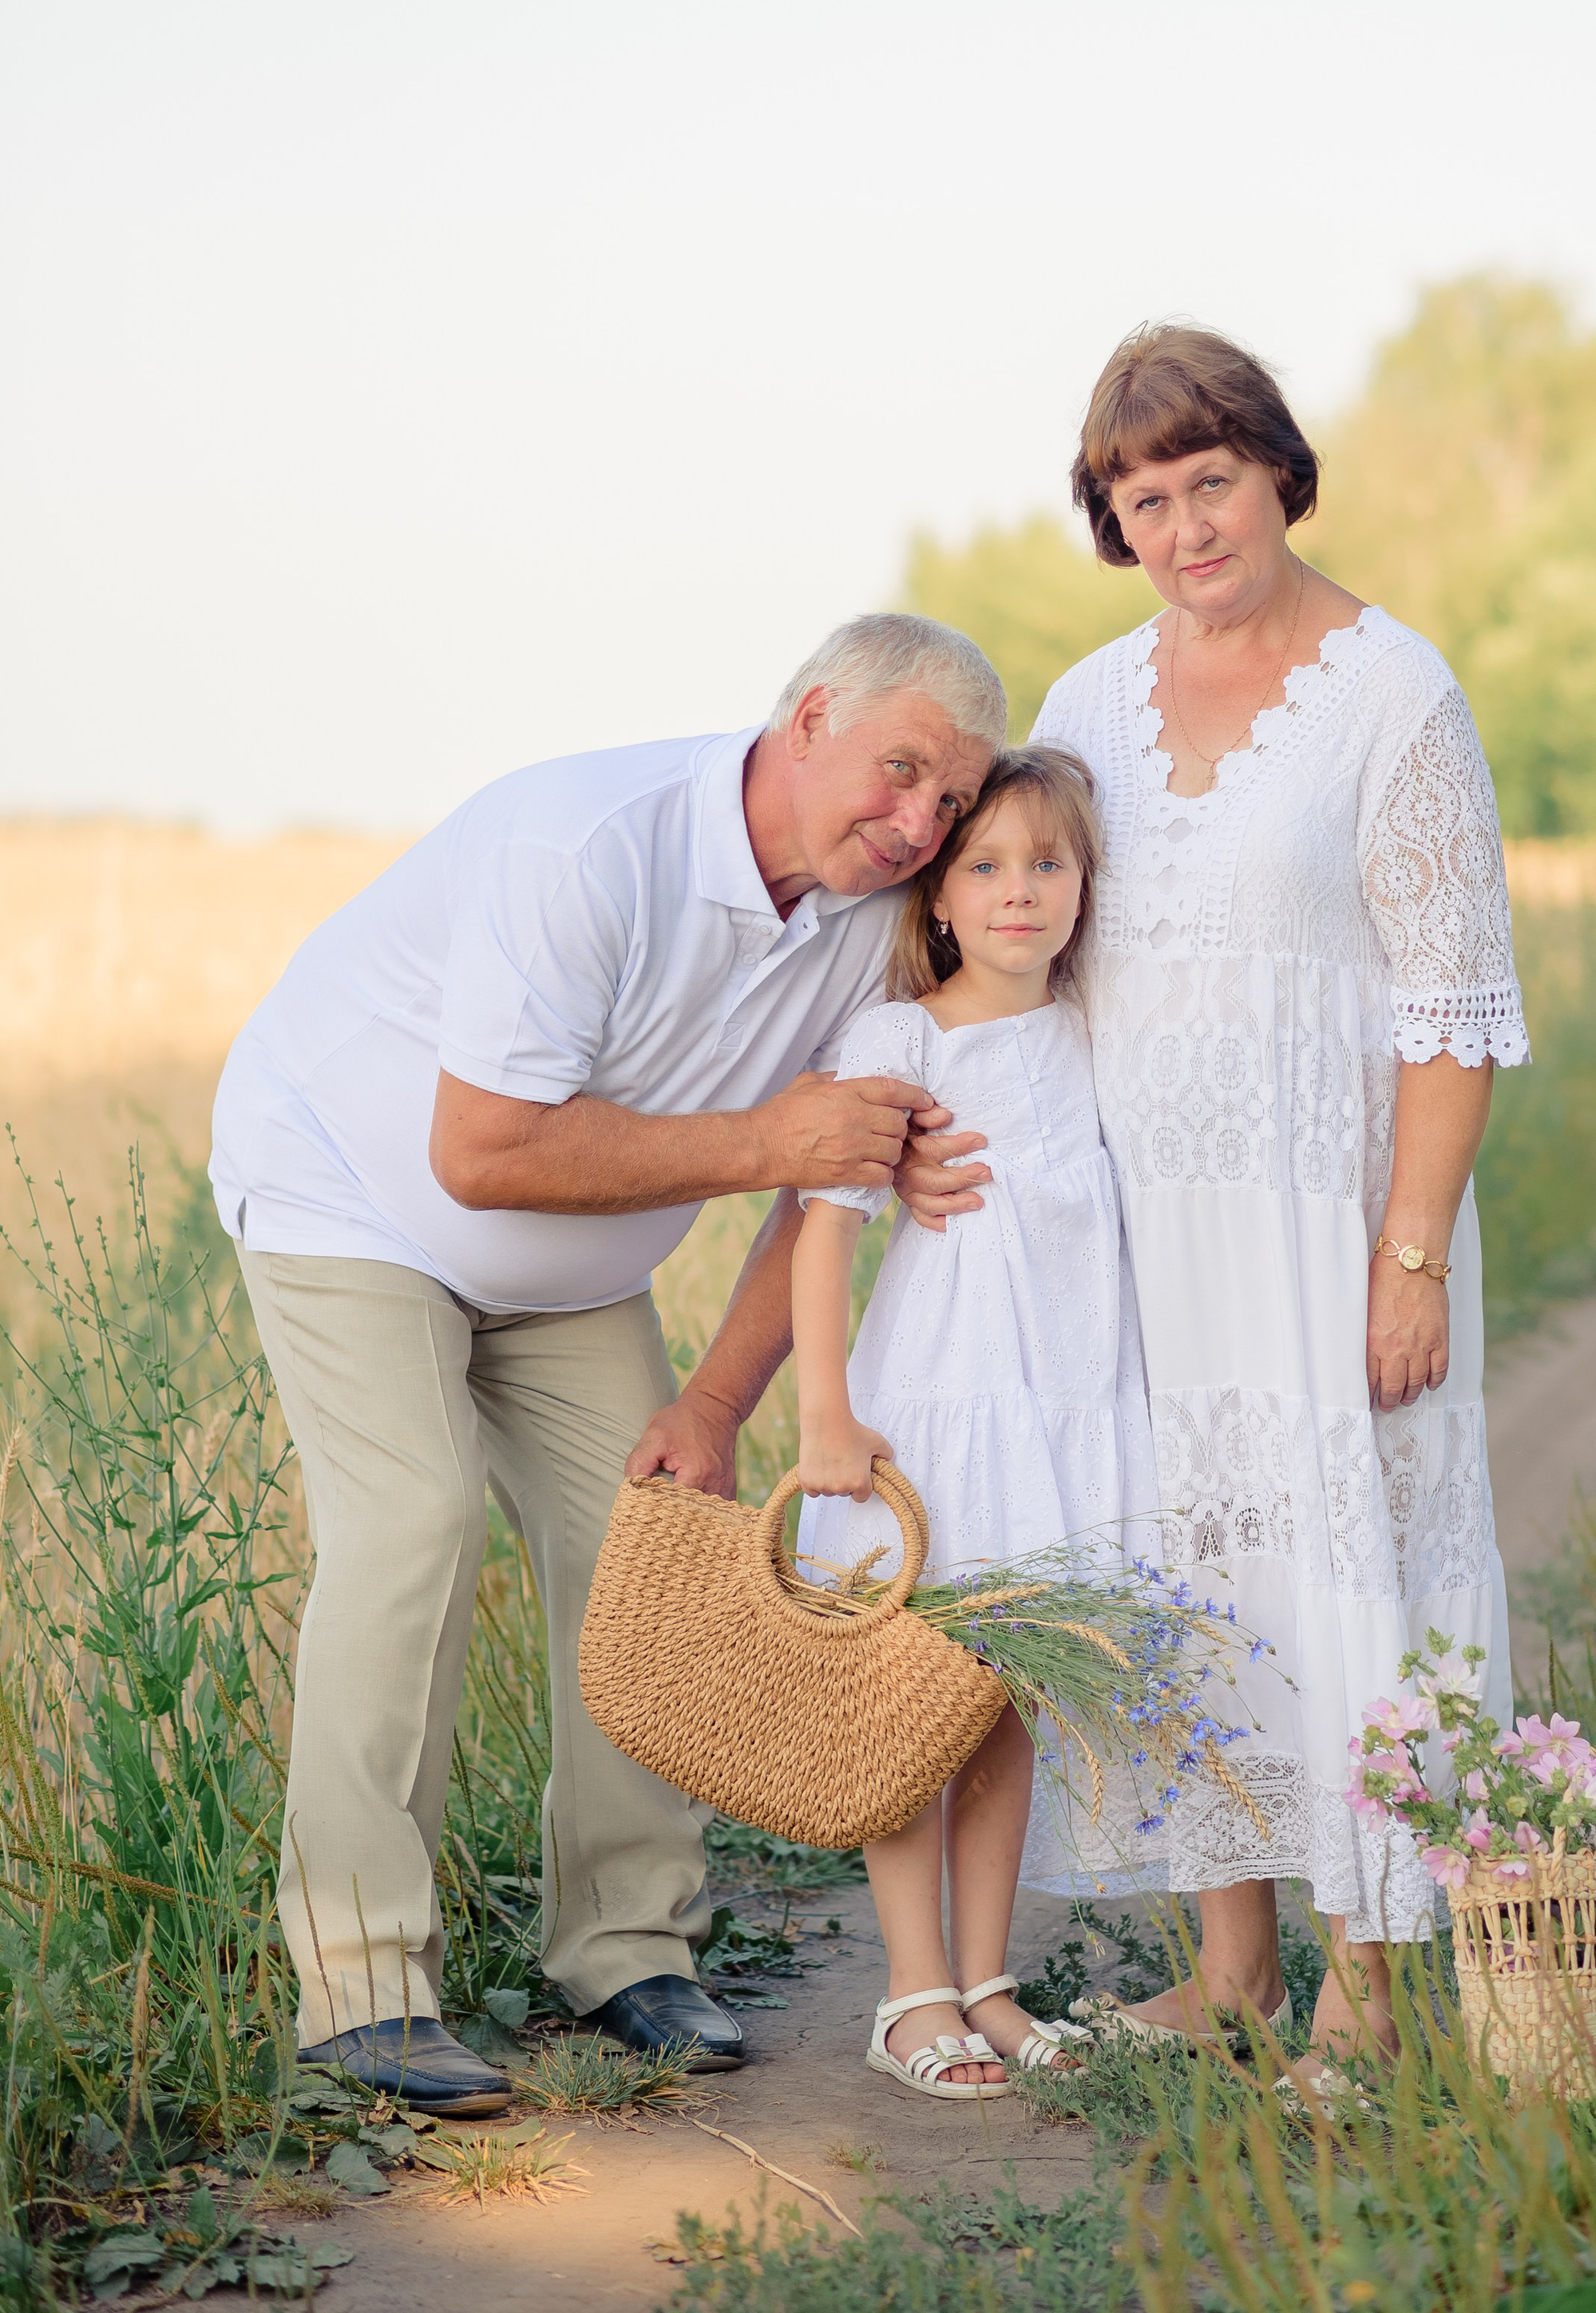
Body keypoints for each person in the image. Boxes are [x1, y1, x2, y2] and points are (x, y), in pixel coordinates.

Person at [209, 613, 1004, 2113]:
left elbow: (826, 1185)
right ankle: (361, 1985)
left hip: (573, 1272)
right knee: (415, 1523)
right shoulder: (584, 847)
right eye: (900, 772)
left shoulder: (871, 918)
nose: (918, 825)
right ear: (812, 714)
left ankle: (628, 1946)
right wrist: (770, 1136)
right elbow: (482, 1148)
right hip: (353, 1197)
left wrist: (713, 1405)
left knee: (656, 1537)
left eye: (952, 800)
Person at [899, 325, 1528, 2068]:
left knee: (1348, 1583)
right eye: (1140, 496)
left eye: (1206, 481)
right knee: (1193, 1589)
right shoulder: (1088, 705)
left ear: (1275, 471)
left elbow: (1453, 1004)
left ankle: (1374, 1998)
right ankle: (1231, 1973)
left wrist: (1407, 1254)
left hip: (1328, 1231)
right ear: (1111, 521)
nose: (1181, 526)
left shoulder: (1394, 691)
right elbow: (1011, 936)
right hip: (1136, 1241)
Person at [790, 745, 1154, 2098]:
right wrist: (826, 1413)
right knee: (917, 1697)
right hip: (939, 1401)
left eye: (1048, 865)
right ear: (938, 897)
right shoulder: (904, 1040)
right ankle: (911, 1992)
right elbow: (823, 1237)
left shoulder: (1093, 1027)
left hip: (1064, 1400)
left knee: (1007, 1696)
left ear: (1084, 886)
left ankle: (988, 1980)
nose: (1019, 893)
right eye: (986, 867)